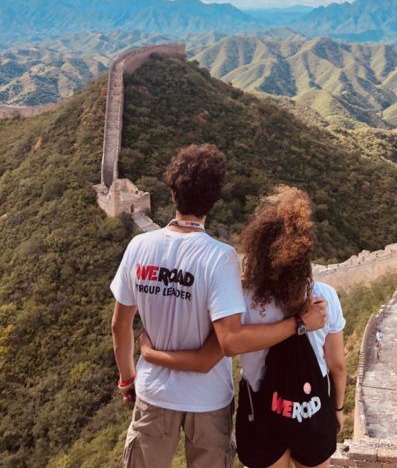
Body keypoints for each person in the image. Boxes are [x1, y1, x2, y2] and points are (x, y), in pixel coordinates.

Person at [111, 145, 327, 468]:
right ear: (214, 199)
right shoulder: (219, 257)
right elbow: (227, 343)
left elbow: (120, 326)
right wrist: (299, 323)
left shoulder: (138, 247)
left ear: (172, 193)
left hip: (153, 395)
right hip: (208, 402)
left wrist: (128, 377)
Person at [141, 185, 347, 468]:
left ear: (259, 249)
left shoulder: (242, 300)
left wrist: (150, 354)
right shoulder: (326, 299)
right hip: (309, 411)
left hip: (261, 414)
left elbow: (218, 350)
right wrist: (337, 408)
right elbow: (337, 365)